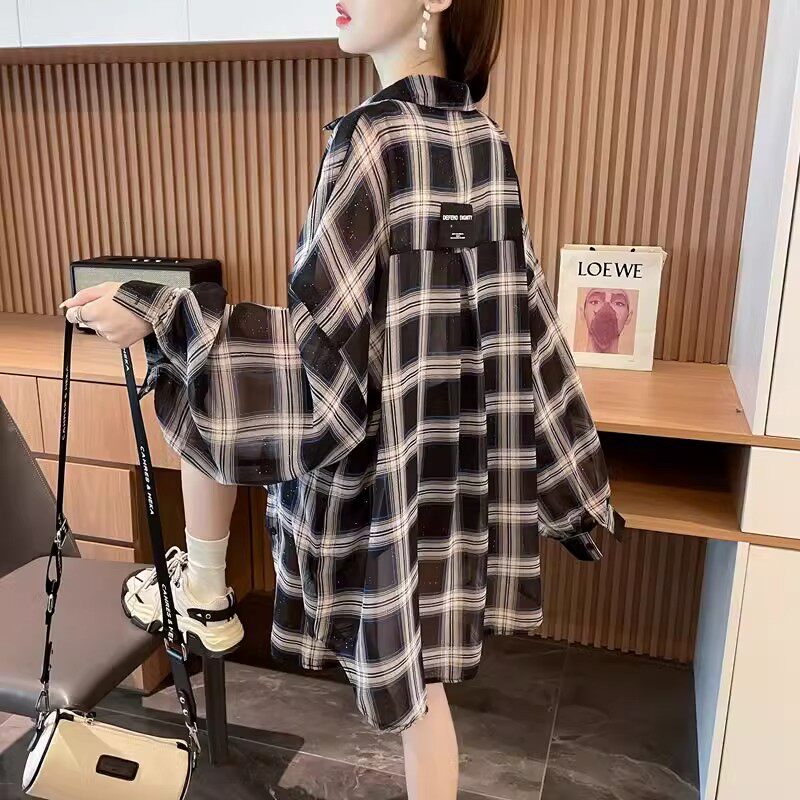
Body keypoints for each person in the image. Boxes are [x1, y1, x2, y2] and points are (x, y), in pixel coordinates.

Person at [59, 1, 624, 797]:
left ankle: (205, 587)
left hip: (378, 470)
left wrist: (159, 312)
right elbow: (526, 321)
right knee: (422, 691)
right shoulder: (487, 143)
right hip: (449, 466)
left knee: (208, 361)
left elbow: (318, 354)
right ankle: (202, 588)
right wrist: (572, 480)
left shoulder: (368, 141)